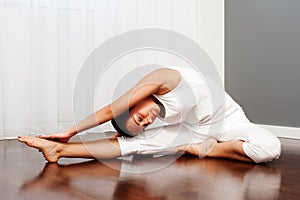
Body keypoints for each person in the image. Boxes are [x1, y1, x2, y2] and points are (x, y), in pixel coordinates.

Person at [18, 66, 281, 163]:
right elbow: (133, 136)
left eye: (139, 117)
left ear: (133, 103)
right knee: (138, 145)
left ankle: (206, 150)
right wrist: (62, 143)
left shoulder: (162, 78)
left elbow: (111, 109)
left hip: (228, 122)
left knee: (269, 147)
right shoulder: (157, 121)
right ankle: (59, 152)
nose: (148, 121)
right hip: (193, 130)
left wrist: (70, 131)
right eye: (144, 124)